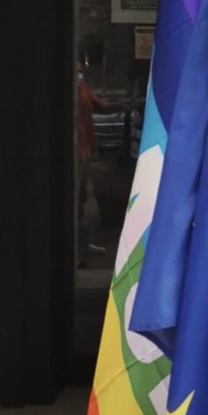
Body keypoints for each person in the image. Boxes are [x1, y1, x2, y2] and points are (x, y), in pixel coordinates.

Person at [77, 58, 133, 265]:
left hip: (84, 150)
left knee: (81, 198)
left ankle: (81, 244)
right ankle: (77, 248)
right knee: (74, 200)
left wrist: (125, 105)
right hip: (74, 151)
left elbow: (100, 106)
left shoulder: (82, 87)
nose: (80, 69)